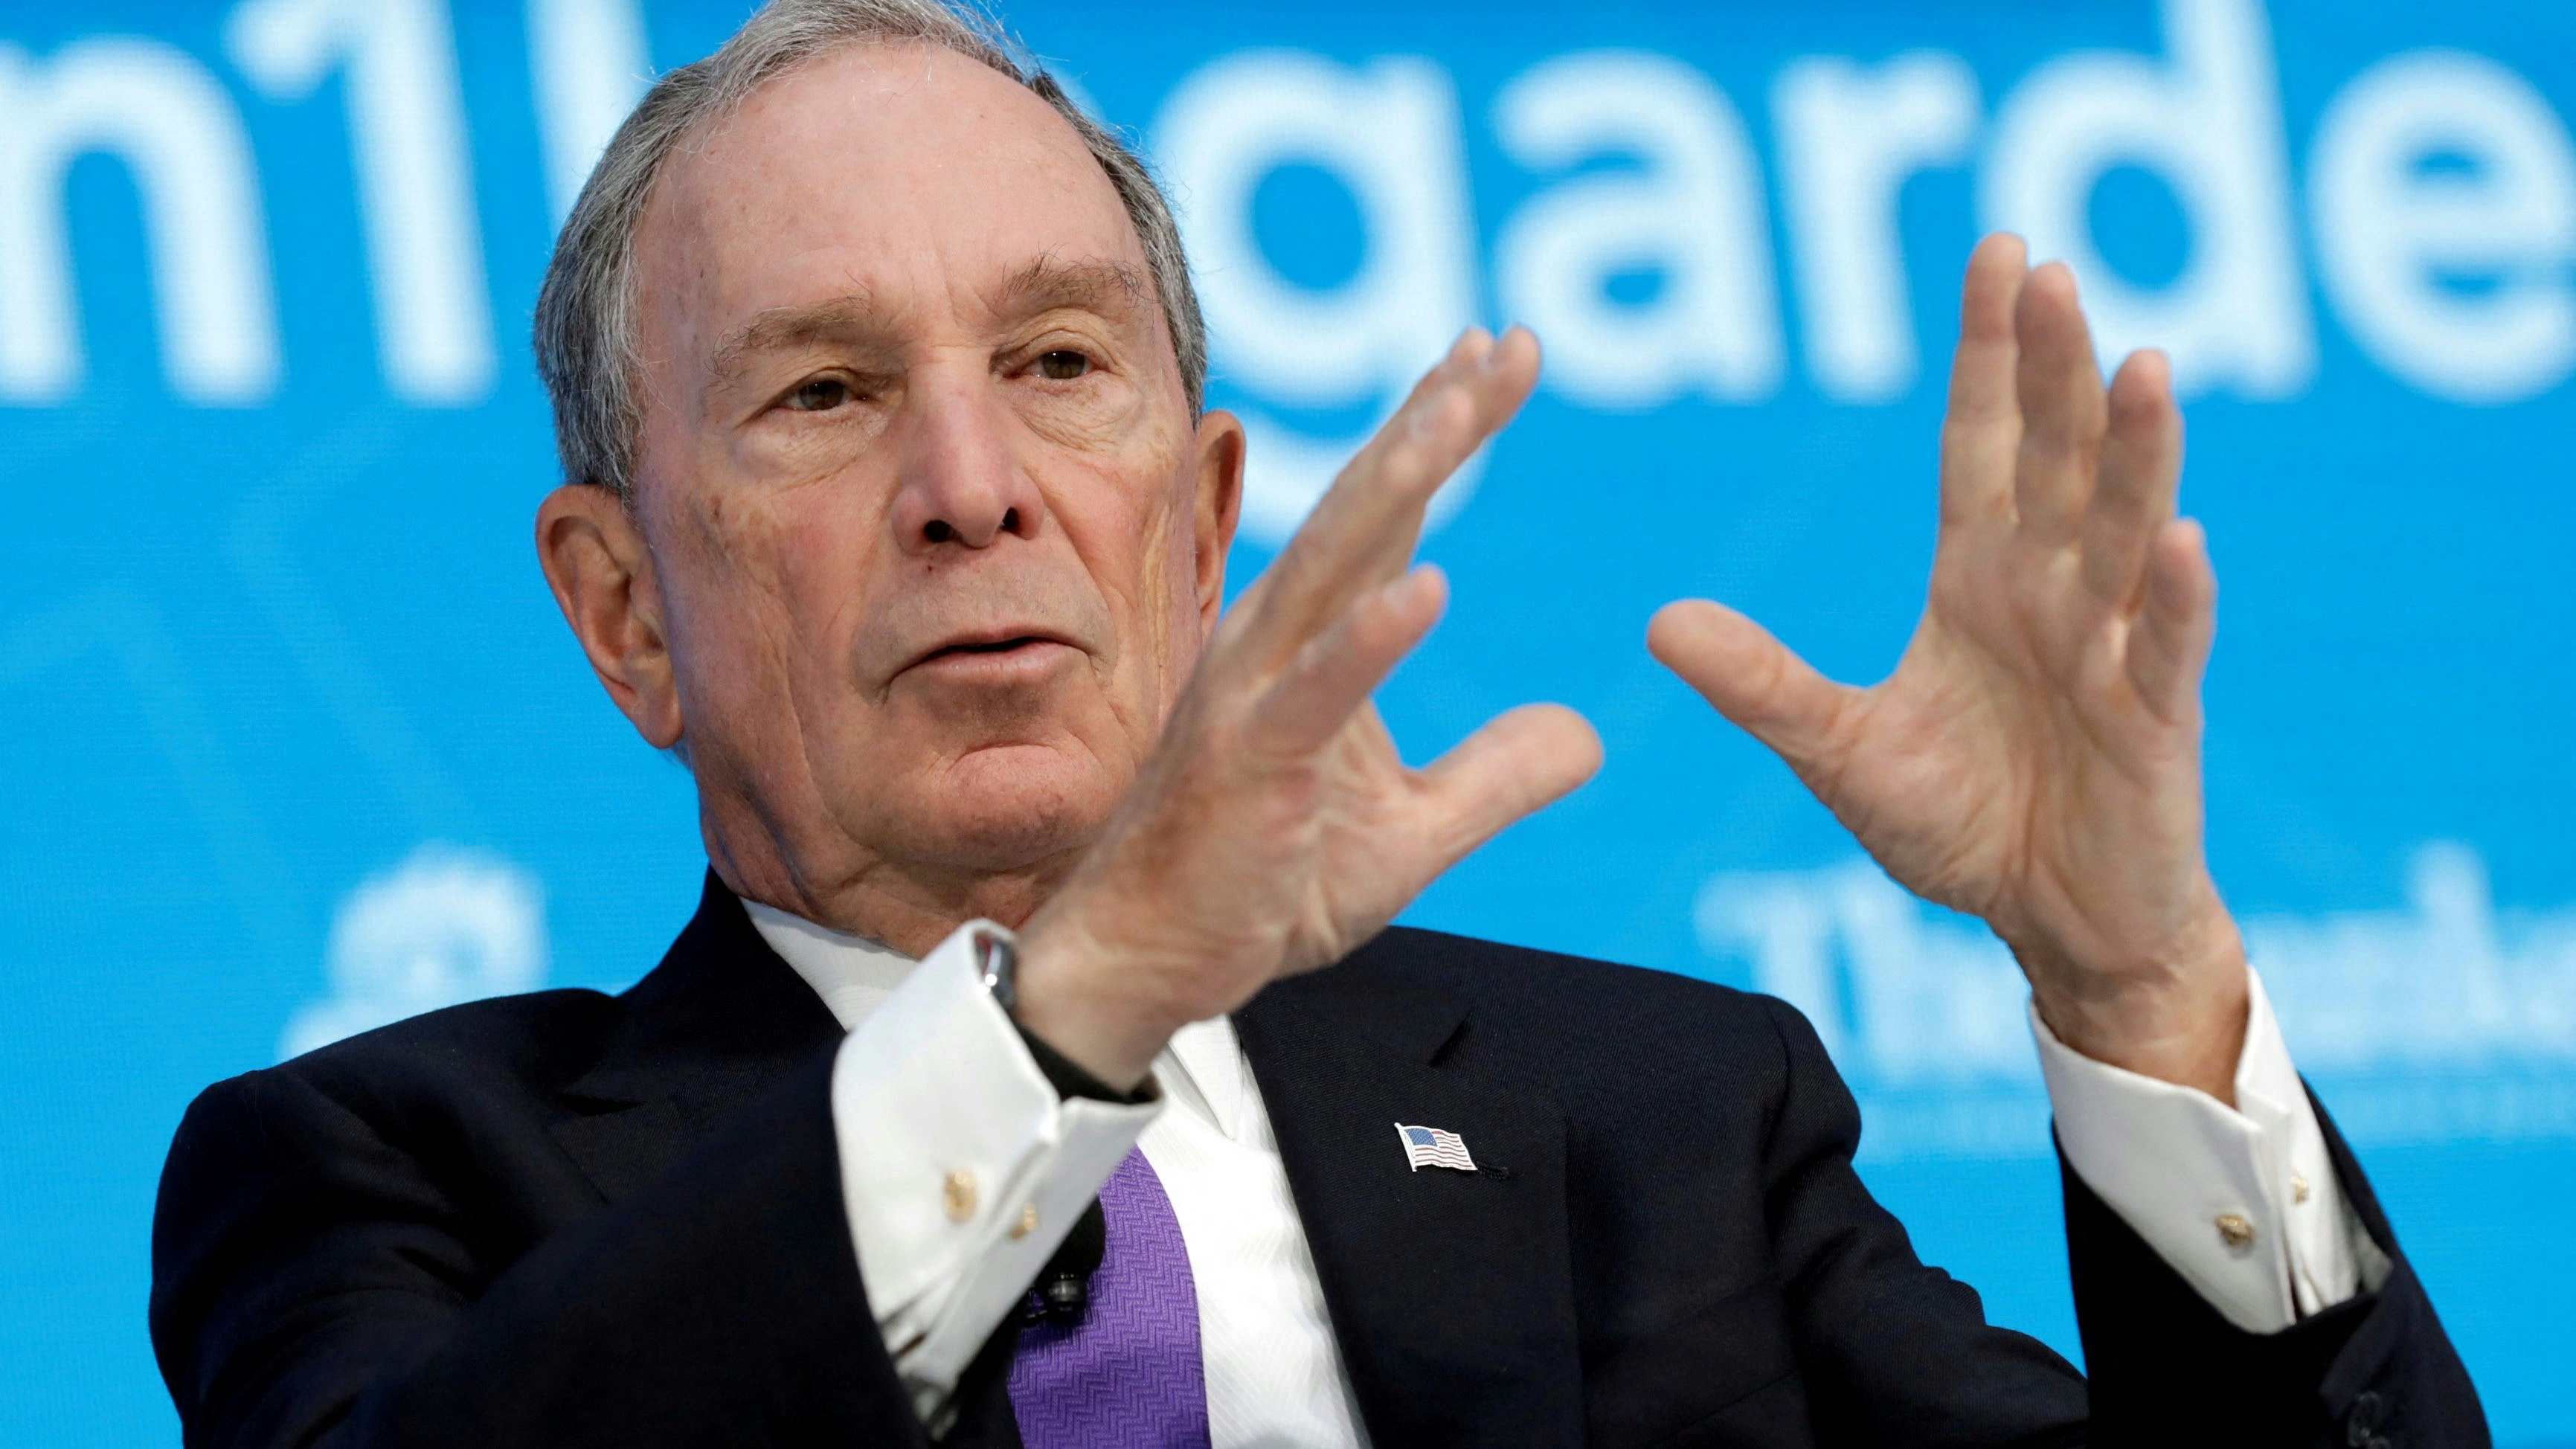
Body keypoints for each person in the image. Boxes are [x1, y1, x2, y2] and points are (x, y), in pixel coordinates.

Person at [149, 1, 2485, 1445]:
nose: (975, 490)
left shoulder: (1657, 1124)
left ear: (1200, 523)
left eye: (1062, 366)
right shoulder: (382, 1173)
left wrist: (2139, 996)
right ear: (623, 611)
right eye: (829, 393)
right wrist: (1058, 1022)